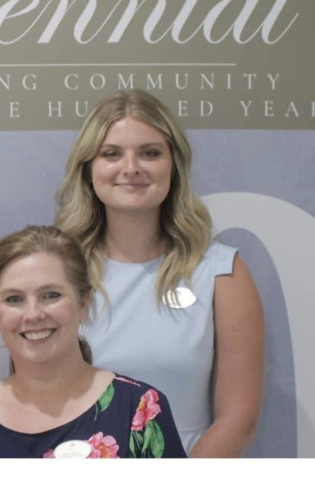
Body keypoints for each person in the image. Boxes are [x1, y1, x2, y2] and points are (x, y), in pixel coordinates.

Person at [54, 90, 264, 457]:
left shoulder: (221, 273)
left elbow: (239, 419)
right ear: (89, 169)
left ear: (174, 166)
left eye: (150, 153)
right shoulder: (55, 271)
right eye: (111, 154)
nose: (131, 167)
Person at [0, 225, 186, 459]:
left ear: (83, 303)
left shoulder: (140, 409)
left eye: (50, 295)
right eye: (14, 299)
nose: (33, 314)